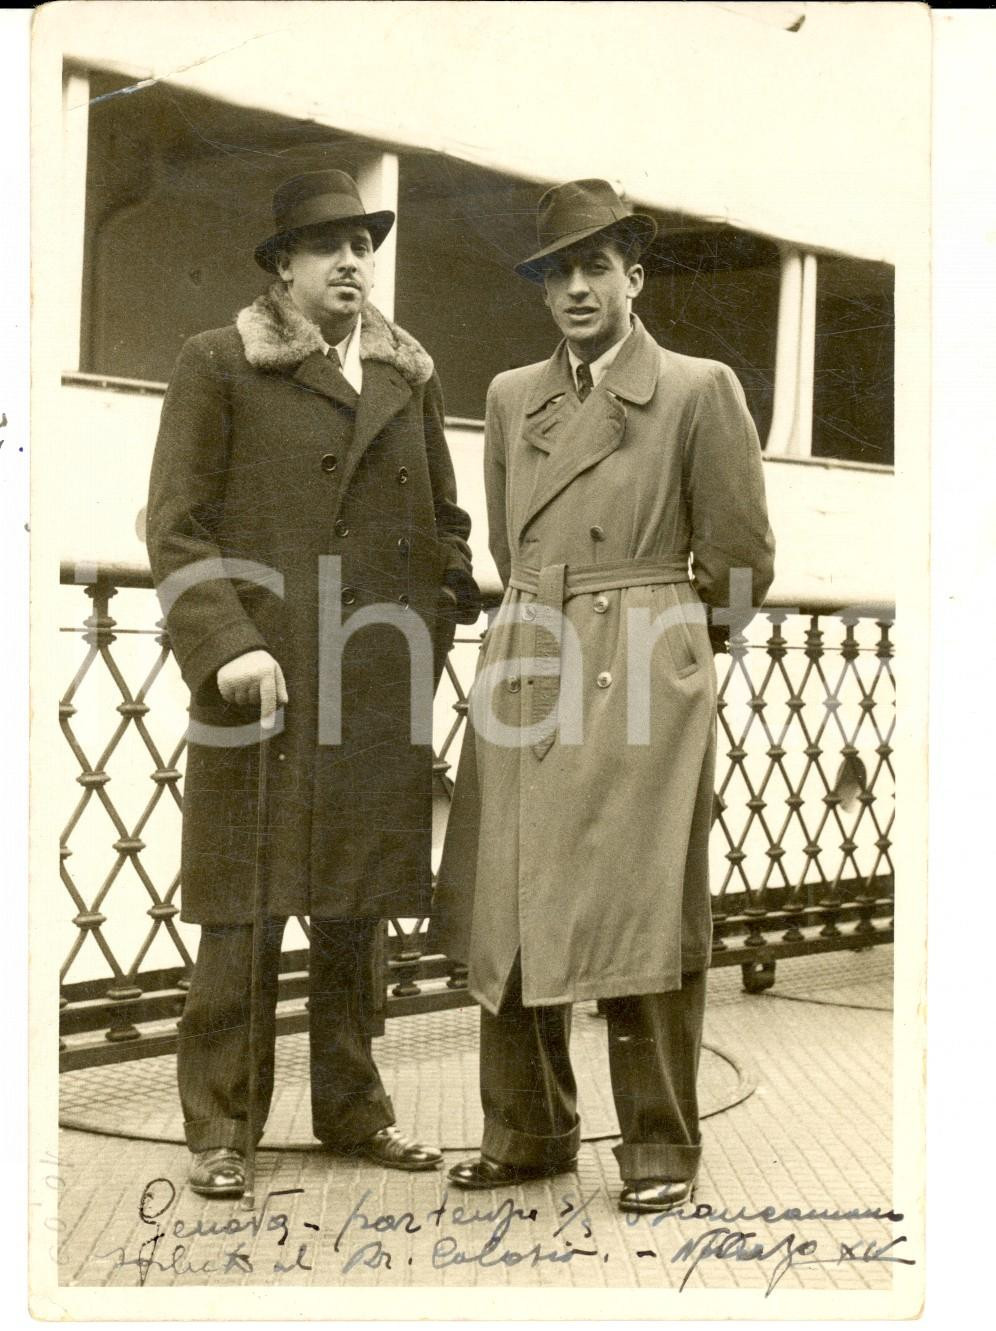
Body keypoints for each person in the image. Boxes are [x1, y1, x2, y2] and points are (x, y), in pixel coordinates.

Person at [433, 179, 774, 1213]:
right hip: (532, 649)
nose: (577, 288)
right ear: (543, 293)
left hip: (645, 666)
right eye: (557, 272)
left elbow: (744, 561)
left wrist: (670, 648)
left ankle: (661, 1149)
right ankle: (528, 1131)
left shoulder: (698, 388)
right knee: (511, 897)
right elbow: (507, 540)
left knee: (642, 905)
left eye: (596, 266)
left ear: (635, 275)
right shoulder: (505, 397)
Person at [147, 165, 478, 1198]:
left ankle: (354, 1108)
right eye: (329, 244)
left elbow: (451, 522)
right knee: (242, 909)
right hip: (262, 684)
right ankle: (221, 1128)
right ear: (281, 266)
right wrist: (227, 642)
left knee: (355, 907)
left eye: (364, 243)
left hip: (373, 681)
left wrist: (441, 601)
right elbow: (175, 526)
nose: (352, 261)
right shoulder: (217, 363)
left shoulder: (405, 379)